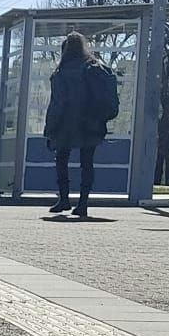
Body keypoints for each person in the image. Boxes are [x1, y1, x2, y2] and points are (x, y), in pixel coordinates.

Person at [42, 32, 115, 217]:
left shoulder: (61, 71)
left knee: (61, 160)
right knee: (87, 163)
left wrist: (50, 126)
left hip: (66, 122)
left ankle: (64, 199)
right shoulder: (93, 66)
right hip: (89, 122)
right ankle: (83, 203)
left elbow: (57, 101)